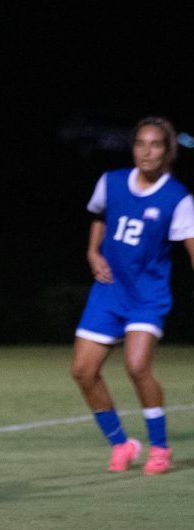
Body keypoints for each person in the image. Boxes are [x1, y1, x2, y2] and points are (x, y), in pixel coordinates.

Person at [71, 116, 194, 475]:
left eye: (155, 144)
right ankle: (121, 443)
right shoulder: (110, 182)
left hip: (146, 296)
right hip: (108, 293)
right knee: (82, 371)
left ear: (168, 151)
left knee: (137, 365)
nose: (147, 151)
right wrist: (93, 253)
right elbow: (100, 216)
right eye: (141, 143)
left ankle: (159, 448)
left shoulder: (178, 198)